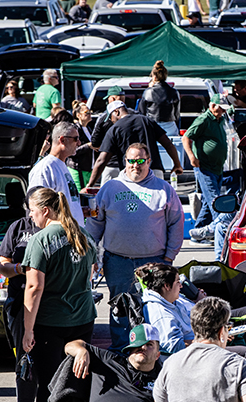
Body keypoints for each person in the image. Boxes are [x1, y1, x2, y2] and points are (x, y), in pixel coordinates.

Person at [20, 187, 98, 402]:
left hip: (50, 321)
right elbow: (91, 274)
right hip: (82, 318)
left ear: (45, 210)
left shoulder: (40, 240)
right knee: (78, 379)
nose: (30, 216)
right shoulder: (82, 234)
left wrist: (27, 329)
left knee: (50, 384)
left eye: (32, 210)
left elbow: (33, 287)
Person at [86, 143, 183, 350]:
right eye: (131, 161)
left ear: (149, 162)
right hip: (118, 261)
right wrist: (91, 254)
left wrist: (168, 258)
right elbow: (95, 223)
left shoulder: (163, 189)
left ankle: (151, 354)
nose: (135, 165)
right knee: (120, 308)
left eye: (140, 161)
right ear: (125, 161)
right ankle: (122, 353)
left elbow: (176, 222)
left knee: (152, 310)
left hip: (153, 262)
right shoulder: (110, 188)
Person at [0, 209, 41, 402]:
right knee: (25, 363)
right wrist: (20, 269)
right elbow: (1, 266)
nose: (32, 214)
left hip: (50, 306)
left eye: (36, 208)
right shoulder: (18, 227)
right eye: (29, 208)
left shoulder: (59, 229)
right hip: (18, 302)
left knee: (56, 365)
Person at [83, 101, 184, 190]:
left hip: (132, 175)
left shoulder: (115, 129)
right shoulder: (147, 121)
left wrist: (90, 185)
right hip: (154, 172)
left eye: (111, 117)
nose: (111, 120)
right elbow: (168, 144)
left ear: (116, 112)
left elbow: (102, 160)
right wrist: (177, 164)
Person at [182, 96, 228, 239]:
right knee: (215, 201)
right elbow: (186, 137)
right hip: (205, 168)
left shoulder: (220, 119)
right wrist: (191, 157)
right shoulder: (203, 120)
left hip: (217, 167)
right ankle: (220, 233)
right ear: (213, 106)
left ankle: (198, 233)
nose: (223, 112)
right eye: (221, 109)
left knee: (209, 203)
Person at [28, 121, 82, 220]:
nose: (79, 143)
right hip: (60, 233)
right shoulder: (45, 168)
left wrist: (80, 211)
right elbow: (39, 208)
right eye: (75, 139)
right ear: (62, 140)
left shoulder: (61, 165)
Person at [90, 86, 130, 184]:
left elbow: (94, 142)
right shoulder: (135, 116)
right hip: (130, 165)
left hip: (109, 165)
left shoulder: (103, 118)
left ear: (111, 98)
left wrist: (106, 147)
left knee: (107, 197)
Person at [138, 61, 181, 137]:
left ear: (154, 77)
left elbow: (142, 112)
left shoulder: (148, 92)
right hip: (170, 126)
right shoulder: (174, 92)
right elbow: (177, 114)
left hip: (152, 125)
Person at [69, 102, 96, 190]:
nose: (89, 114)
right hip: (78, 168)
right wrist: (88, 146)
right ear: (79, 115)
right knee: (79, 195)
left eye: (90, 112)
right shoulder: (75, 129)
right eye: (86, 112)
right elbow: (72, 150)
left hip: (88, 168)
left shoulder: (88, 128)